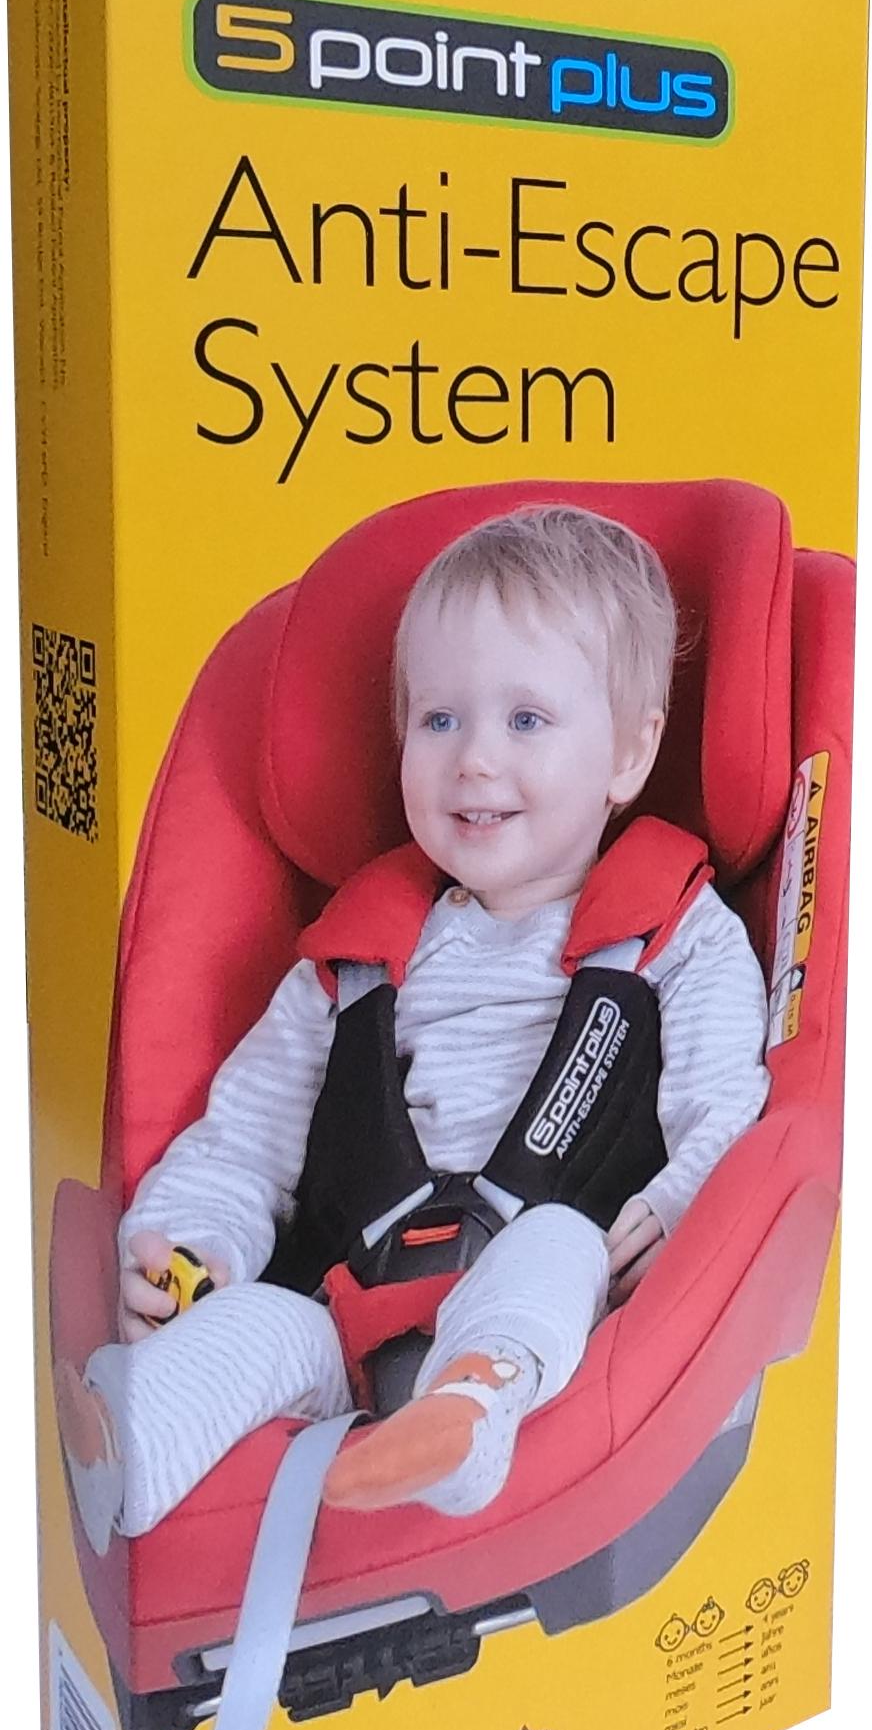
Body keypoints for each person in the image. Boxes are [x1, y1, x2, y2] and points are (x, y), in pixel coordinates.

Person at [55, 505, 770, 1551]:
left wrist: (680, 1200)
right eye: (438, 721)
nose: (472, 758)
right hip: (345, 1308)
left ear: (628, 752)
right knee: (253, 1330)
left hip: (558, 1297)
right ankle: (119, 1441)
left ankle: (465, 1412)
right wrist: (190, 1251)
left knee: (555, 1247)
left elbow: (728, 1102)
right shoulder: (354, 962)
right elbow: (242, 1143)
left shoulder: (678, 933)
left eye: (525, 720)